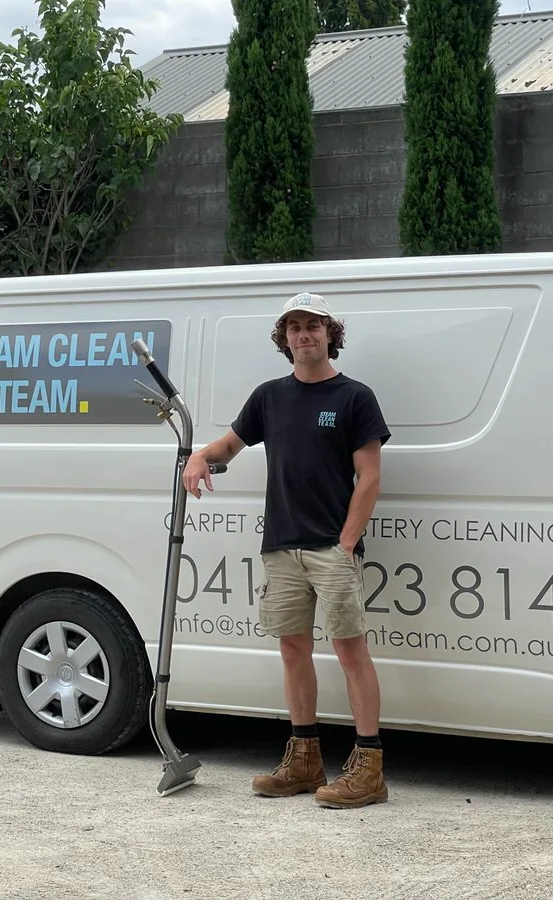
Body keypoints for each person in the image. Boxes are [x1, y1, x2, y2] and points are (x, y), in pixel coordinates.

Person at [182, 291, 392, 809]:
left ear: (330, 334)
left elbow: (369, 477)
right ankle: (304, 759)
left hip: (332, 549)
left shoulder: (354, 397)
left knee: (350, 650)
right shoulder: (269, 397)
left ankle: (369, 768)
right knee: (293, 649)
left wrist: (346, 543)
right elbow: (228, 446)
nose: (304, 335)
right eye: (294, 327)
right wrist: (197, 457)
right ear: (284, 339)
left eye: (313, 326)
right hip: (281, 546)